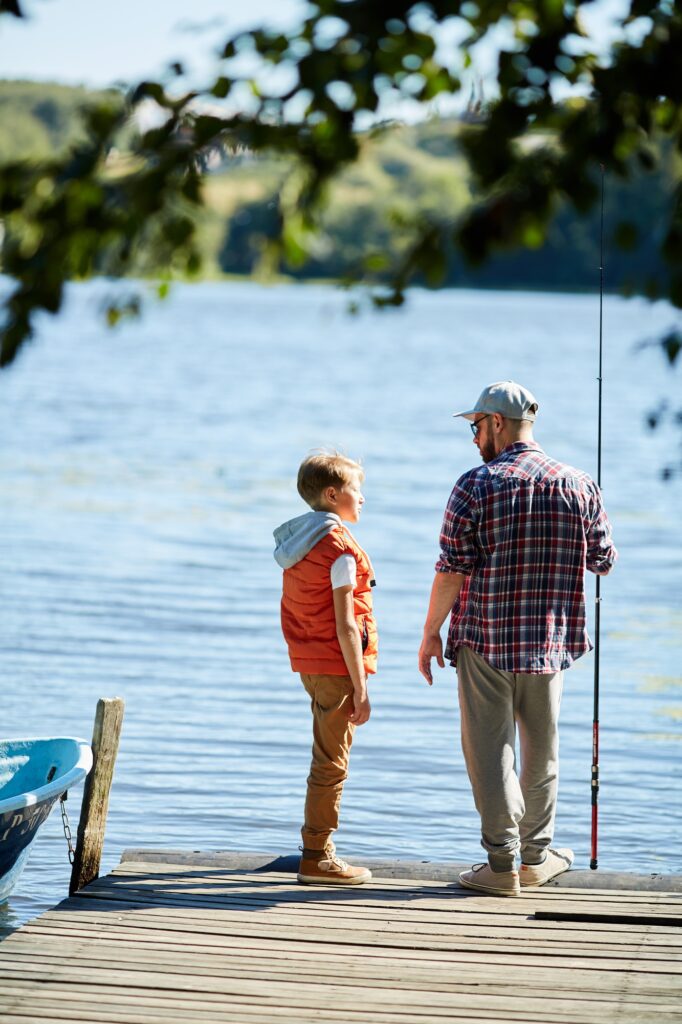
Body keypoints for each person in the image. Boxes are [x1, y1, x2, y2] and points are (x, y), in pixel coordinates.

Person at [418, 381, 617, 897]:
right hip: (551, 642)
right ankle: (534, 858)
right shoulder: (580, 483)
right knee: (542, 753)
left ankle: (502, 865)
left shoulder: (474, 485)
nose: (473, 438)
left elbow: (451, 568)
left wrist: (430, 632)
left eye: (475, 426)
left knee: (490, 753)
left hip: (485, 638)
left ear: (498, 424)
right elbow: (603, 561)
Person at [274, 450, 377, 886]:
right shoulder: (339, 549)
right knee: (331, 762)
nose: (363, 499)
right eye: (358, 491)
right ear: (334, 495)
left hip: (309, 661)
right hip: (335, 666)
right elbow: (347, 626)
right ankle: (317, 855)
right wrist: (361, 687)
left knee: (325, 754)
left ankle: (317, 849)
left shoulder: (303, 541)